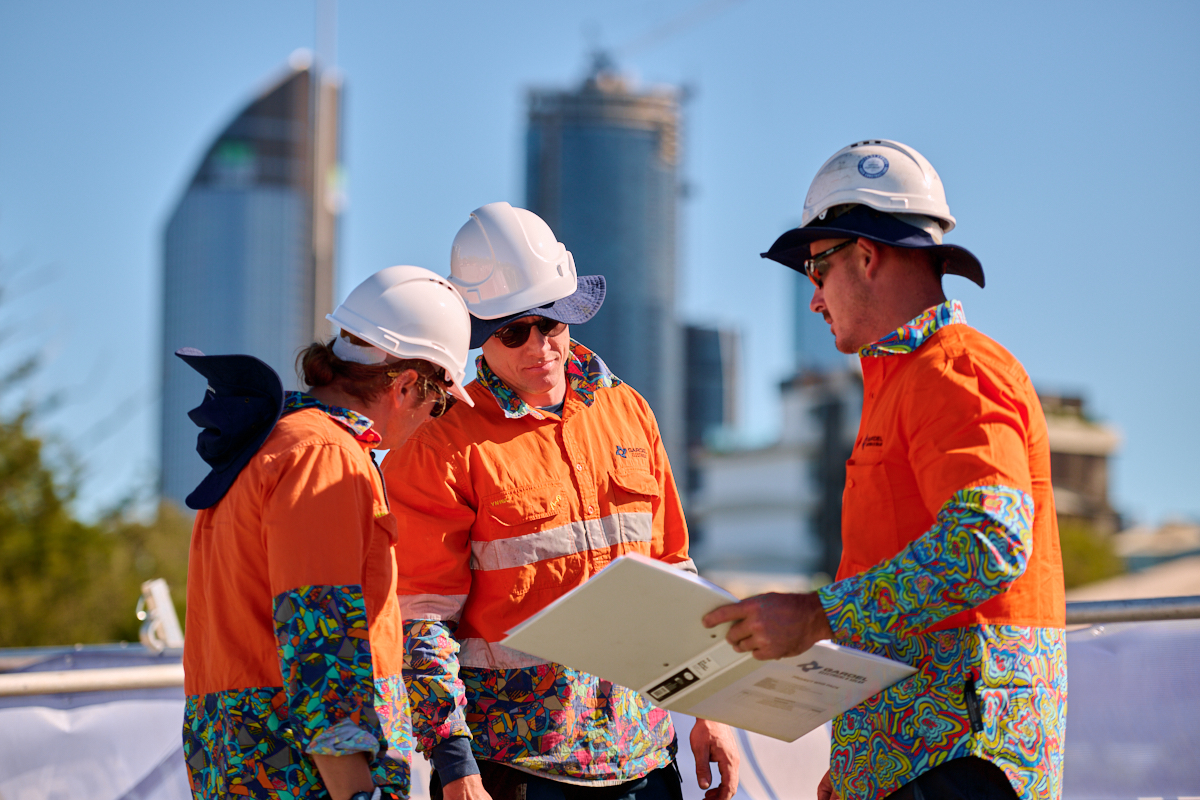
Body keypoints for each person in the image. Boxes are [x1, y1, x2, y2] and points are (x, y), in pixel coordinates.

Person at [703, 141, 1067, 800]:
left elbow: (989, 543)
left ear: (865, 257)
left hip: (962, 758)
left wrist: (816, 617)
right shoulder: (912, 379)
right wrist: (864, 761)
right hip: (927, 757)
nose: (813, 299)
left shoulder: (953, 371)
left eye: (816, 272)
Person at [384, 202, 740, 800]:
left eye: (551, 323)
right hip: (520, 768)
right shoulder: (440, 444)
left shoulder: (628, 410)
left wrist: (711, 708)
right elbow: (422, 621)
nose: (540, 346)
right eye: (513, 331)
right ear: (477, 334)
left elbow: (674, 574)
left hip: (645, 757)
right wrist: (455, 767)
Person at [180, 266, 474, 800]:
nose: (434, 420)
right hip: (305, 779)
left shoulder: (268, 446)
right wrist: (356, 791)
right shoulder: (328, 457)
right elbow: (320, 637)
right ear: (407, 385)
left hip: (245, 764)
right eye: (442, 402)